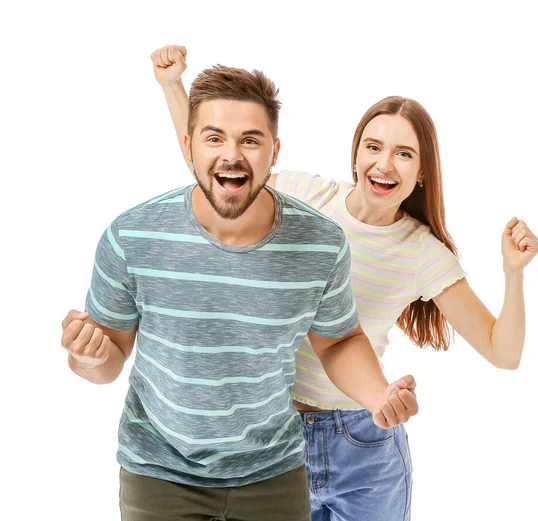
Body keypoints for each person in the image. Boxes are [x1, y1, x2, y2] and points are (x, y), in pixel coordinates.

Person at [153, 44, 538, 521]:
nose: (384, 164)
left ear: (421, 174)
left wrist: (513, 274)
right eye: (373, 147)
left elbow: (504, 354)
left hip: (366, 443)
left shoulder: (422, 253)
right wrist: (173, 86)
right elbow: (214, 174)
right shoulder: (303, 196)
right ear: (356, 153)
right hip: (276, 438)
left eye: (403, 154)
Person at [60, 64, 419, 521]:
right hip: (160, 471)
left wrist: (376, 396)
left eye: (250, 140)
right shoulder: (132, 237)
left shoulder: (321, 245)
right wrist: (88, 358)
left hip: (273, 471)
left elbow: (338, 342)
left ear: (274, 152)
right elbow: (108, 360)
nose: (232, 155)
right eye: (214, 138)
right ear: (188, 146)